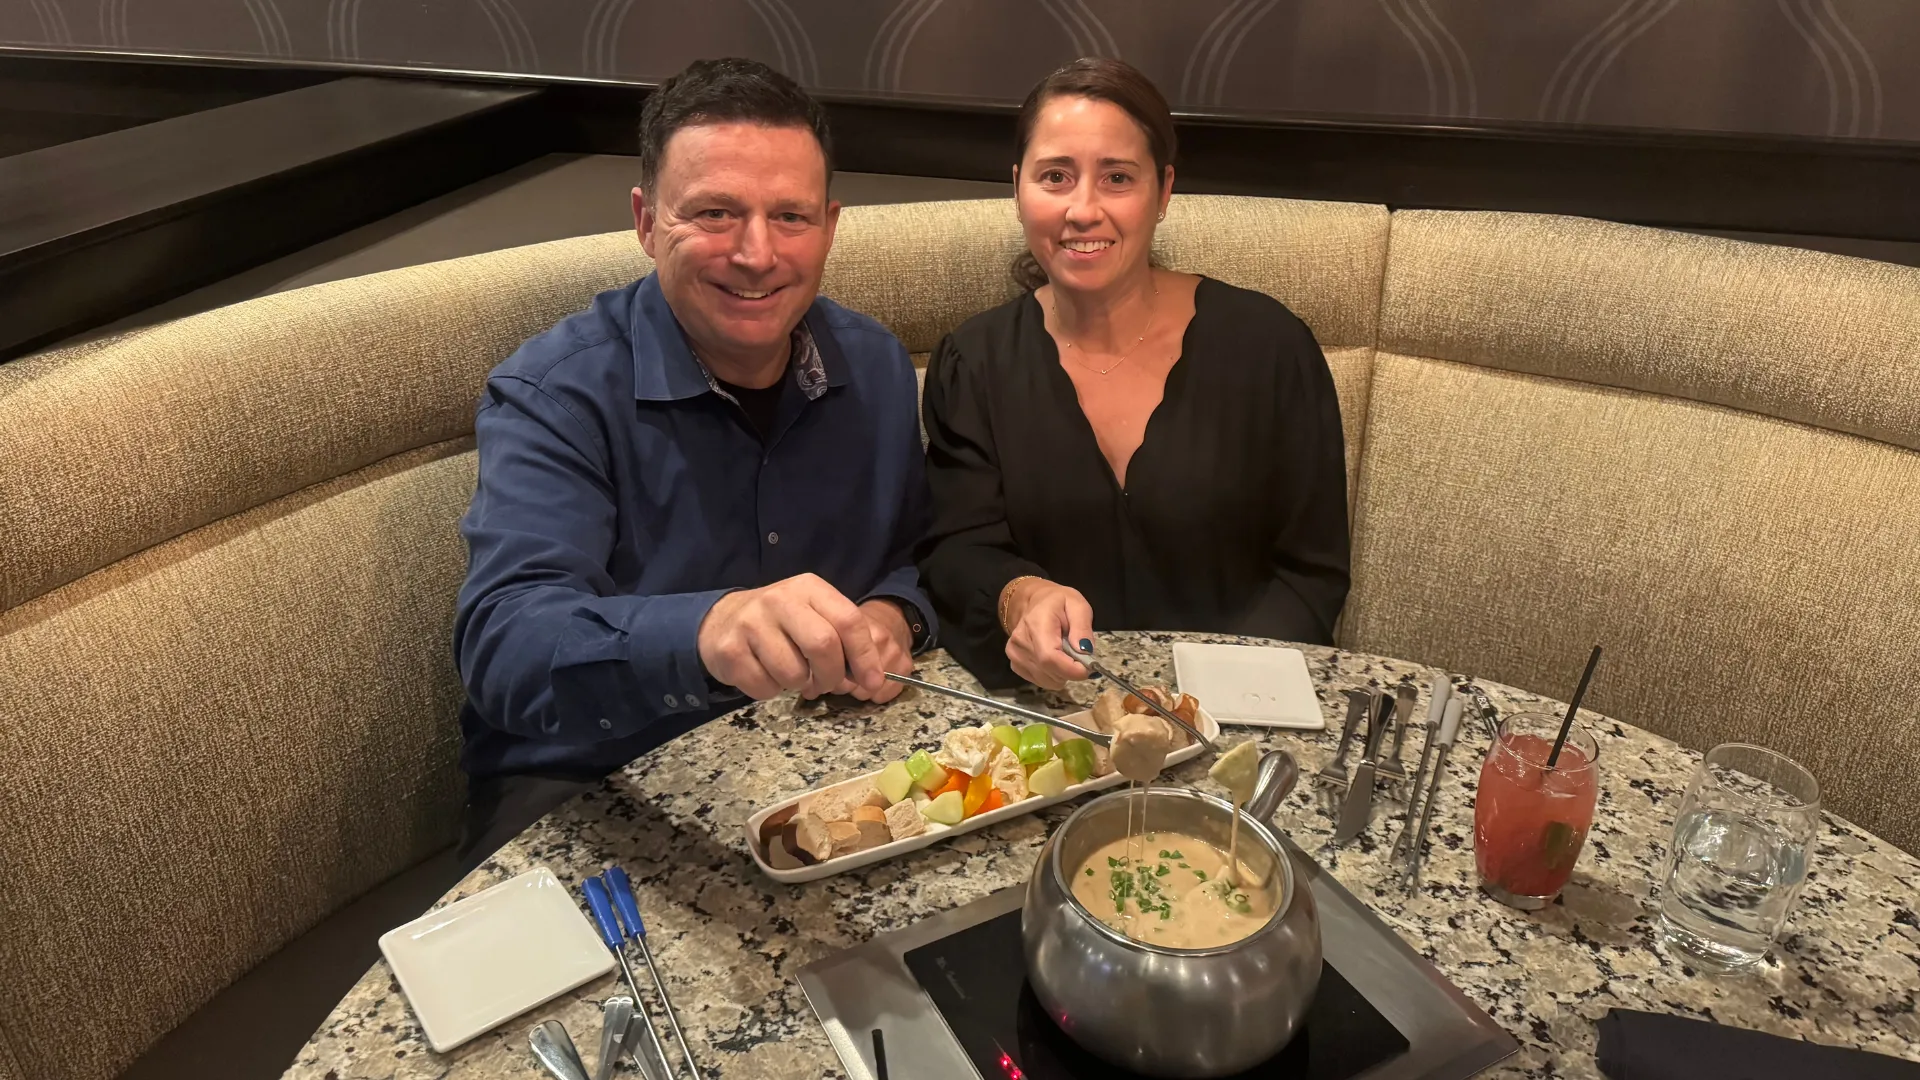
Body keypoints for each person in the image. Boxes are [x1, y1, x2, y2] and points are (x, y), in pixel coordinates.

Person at [453, 58, 935, 866]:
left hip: (817, 776)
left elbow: (922, 554)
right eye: (715, 212)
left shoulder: (877, 364)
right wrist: (707, 632)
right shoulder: (554, 394)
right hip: (592, 793)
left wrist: (896, 615)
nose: (756, 253)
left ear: (831, 224)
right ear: (646, 222)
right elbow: (507, 646)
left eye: (791, 217)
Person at [917, 57, 1349, 692]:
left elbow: (1311, 572)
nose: (1083, 209)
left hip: (1243, 721)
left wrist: (1205, 701)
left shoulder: (1269, 347)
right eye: (1055, 176)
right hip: (1054, 720)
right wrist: (1019, 595)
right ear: (1018, 189)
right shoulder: (974, 361)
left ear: (1164, 189)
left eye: (1117, 178)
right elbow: (957, 551)